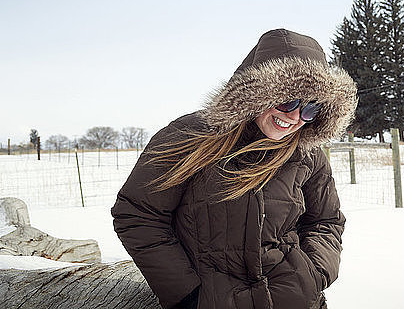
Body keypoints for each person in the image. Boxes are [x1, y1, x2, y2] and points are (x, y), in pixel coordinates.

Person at [111, 29, 357, 309]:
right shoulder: (191, 136)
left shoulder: (307, 152)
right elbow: (137, 214)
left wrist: (314, 274)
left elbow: (326, 221)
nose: (294, 117)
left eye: (310, 109)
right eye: (288, 101)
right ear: (258, 93)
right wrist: (187, 295)